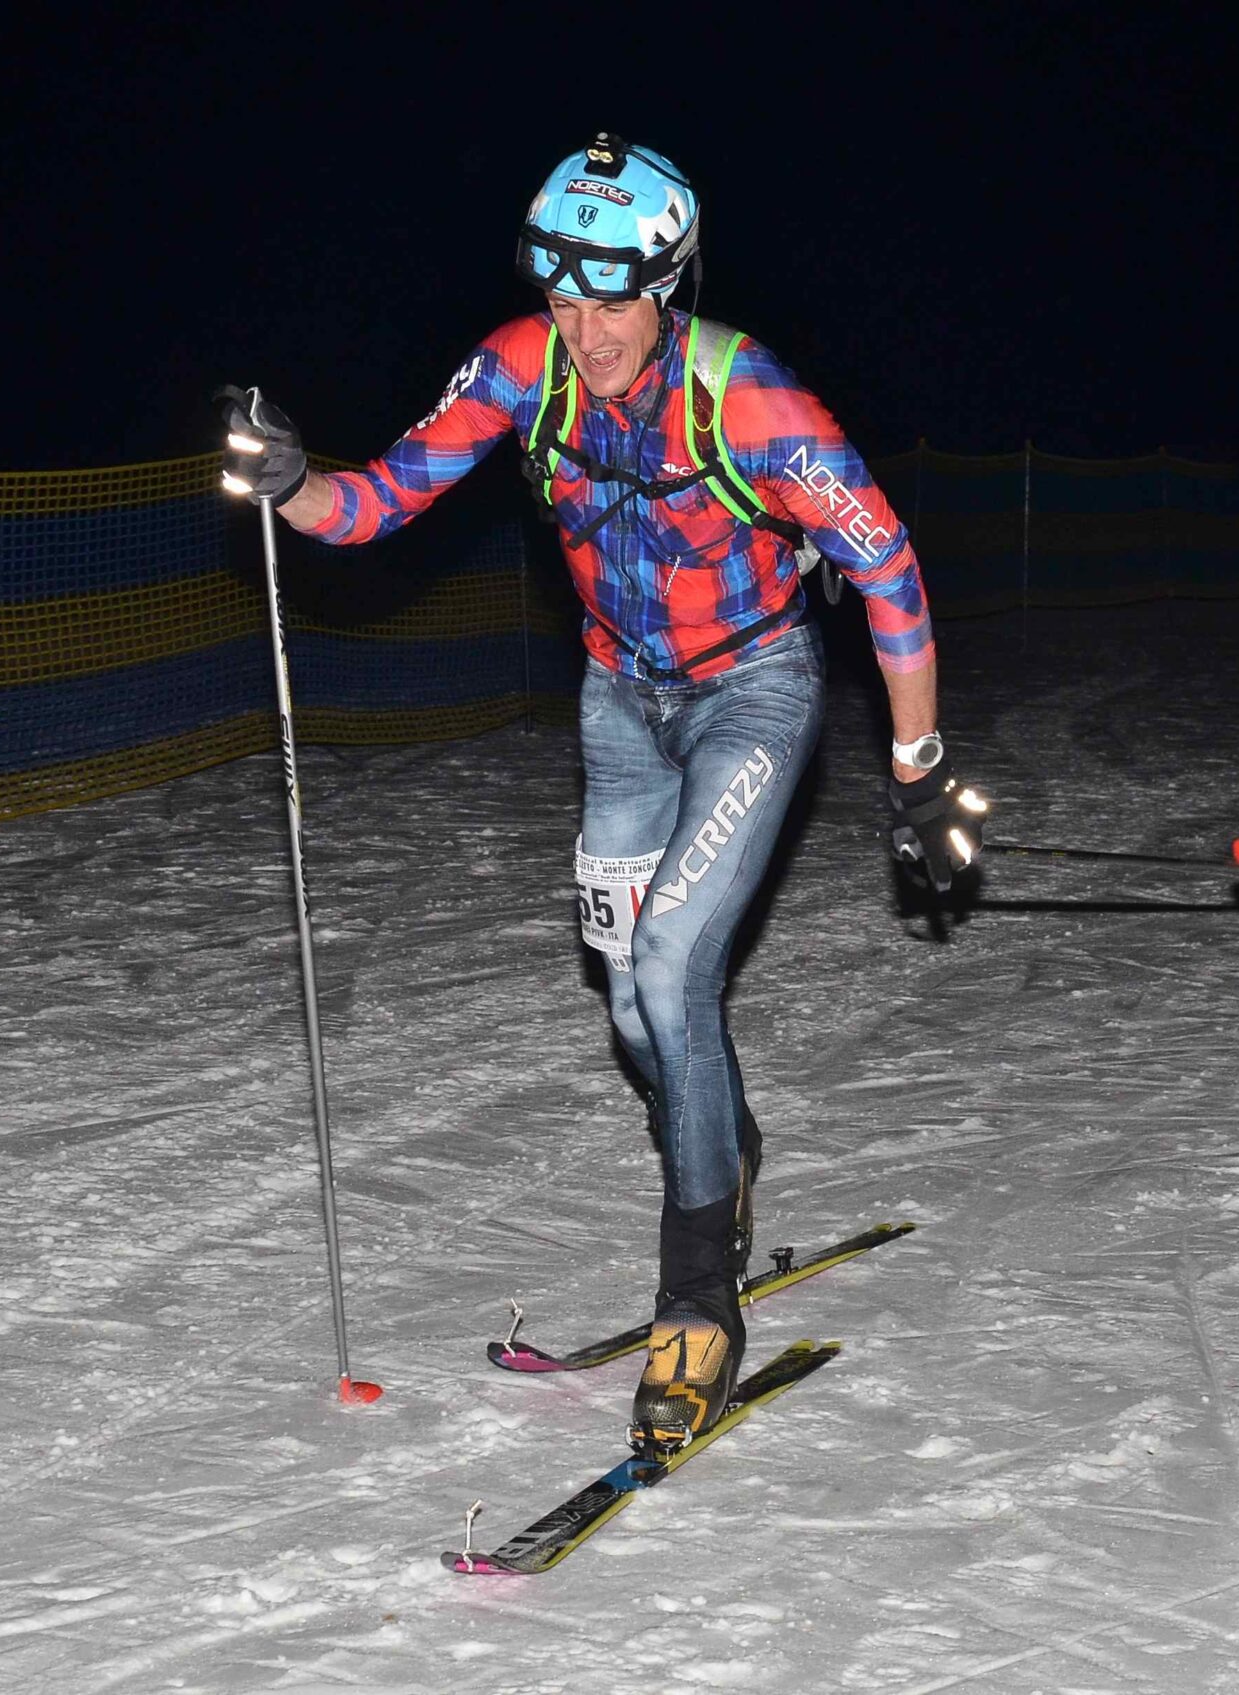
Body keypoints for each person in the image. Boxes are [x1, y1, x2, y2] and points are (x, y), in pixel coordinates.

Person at [218, 133, 982, 1452]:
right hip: (620, 706)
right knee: (634, 1006)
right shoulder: (522, 367)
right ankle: (724, 1149)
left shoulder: (752, 402)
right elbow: (377, 502)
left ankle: (699, 1301)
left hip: (752, 694)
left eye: (614, 298)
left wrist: (917, 770)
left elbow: (891, 571)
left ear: (667, 286)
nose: (588, 330)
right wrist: (291, 484)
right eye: (565, 298)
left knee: (676, 966)